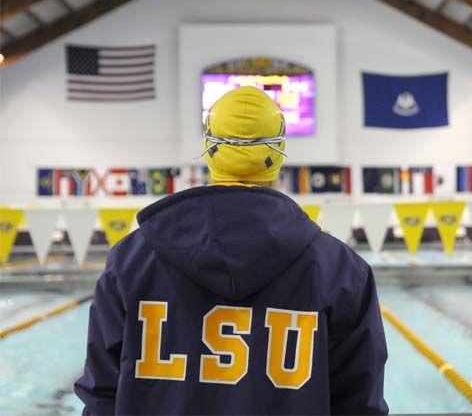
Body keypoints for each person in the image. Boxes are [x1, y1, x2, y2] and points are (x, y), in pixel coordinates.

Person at [74, 86, 388, 415]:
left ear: (210, 150)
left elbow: (101, 394)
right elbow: (360, 403)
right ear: (279, 153)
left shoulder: (130, 261)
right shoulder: (341, 271)